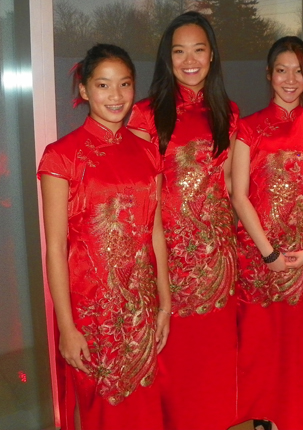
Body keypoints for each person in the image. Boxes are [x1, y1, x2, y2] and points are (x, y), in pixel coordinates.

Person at [38, 44, 171, 430]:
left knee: (145, 409)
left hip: (143, 307)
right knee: (103, 412)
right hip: (93, 313)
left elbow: (155, 231)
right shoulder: (61, 156)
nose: (116, 96)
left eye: (125, 84)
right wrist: (67, 327)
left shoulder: (149, 152)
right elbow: (56, 248)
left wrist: (165, 304)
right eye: (103, 85)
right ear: (84, 90)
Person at [127, 11, 239, 430]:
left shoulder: (227, 112)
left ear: (211, 56)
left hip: (218, 264)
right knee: (174, 371)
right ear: (166, 58)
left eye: (198, 49)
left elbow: (227, 187)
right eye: (179, 51)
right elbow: (139, 198)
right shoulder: (143, 116)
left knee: (213, 367)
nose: (189, 59)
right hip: (168, 264)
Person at [231, 36, 303, 430]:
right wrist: (269, 254)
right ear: (269, 75)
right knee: (259, 346)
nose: (290, 79)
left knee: (294, 348)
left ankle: (289, 418)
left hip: (302, 259)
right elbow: (239, 196)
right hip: (259, 258)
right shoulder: (249, 128)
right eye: (281, 70)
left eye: (298, 71)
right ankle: (263, 416)